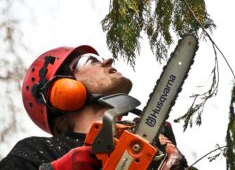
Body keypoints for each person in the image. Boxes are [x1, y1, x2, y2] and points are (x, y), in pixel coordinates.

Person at [0, 45, 188, 170]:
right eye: (89, 61)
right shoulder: (38, 151)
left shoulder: (152, 144)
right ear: (60, 90)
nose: (108, 60)